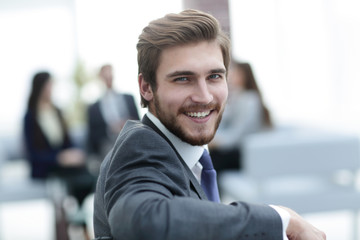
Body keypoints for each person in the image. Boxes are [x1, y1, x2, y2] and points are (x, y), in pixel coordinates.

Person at [93, 9, 326, 240]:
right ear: (146, 87)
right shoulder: (141, 146)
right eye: (183, 79)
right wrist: (279, 217)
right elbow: (143, 220)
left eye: (214, 76)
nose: (204, 97)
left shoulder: (186, 153)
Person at [23, 71, 95, 207]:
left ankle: (77, 216)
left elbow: (68, 142)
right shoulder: (30, 117)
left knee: (88, 174)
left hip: (63, 164)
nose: (51, 88)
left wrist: (74, 154)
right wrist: (59, 158)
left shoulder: (57, 111)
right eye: (49, 84)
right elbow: (33, 154)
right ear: (40, 87)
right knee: (79, 178)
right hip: (45, 165)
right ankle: (77, 219)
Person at [209, 61, 272, 173]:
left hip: (244, 152)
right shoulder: (236, 97)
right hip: (236, 149)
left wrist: (216, 142)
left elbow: (238, 134)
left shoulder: (250, 100)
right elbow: (223, 125)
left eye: (235, 73)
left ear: (245, 76)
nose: (230, 76)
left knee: (211, 160)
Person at [87, 64, 139, 166]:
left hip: (131, 138)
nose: (108, 78)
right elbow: (92, 137)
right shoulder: (94, 108)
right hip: (108, 145)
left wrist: (127, 124)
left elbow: (139, 121)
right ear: (100, 78)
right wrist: (111, 129)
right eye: (105, 75)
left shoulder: (128, 98)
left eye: (110, 74)